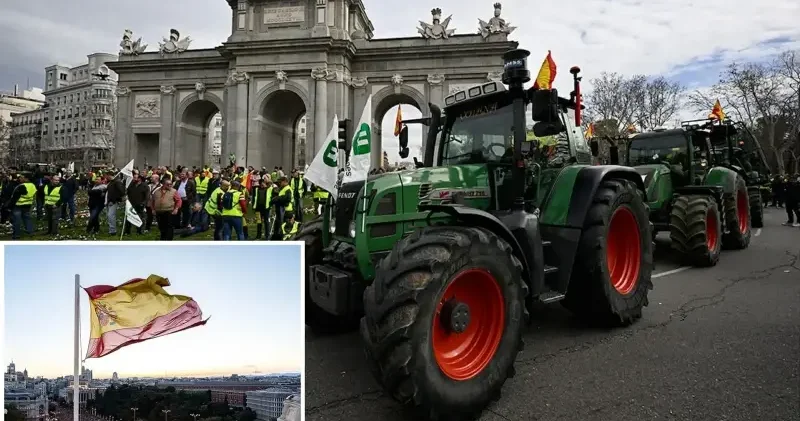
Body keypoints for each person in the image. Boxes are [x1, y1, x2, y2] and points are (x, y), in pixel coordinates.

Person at [8, 174, 36, 239]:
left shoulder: (21, 186)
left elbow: (14, 198)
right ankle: (30, 231)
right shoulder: (32, 185)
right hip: (28, 205)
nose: (20, 178)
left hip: (18, 205)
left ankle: (17, 235)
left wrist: (9, 207)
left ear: (26, 179)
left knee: (17, 220)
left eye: (21, 177)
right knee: (27, 218)